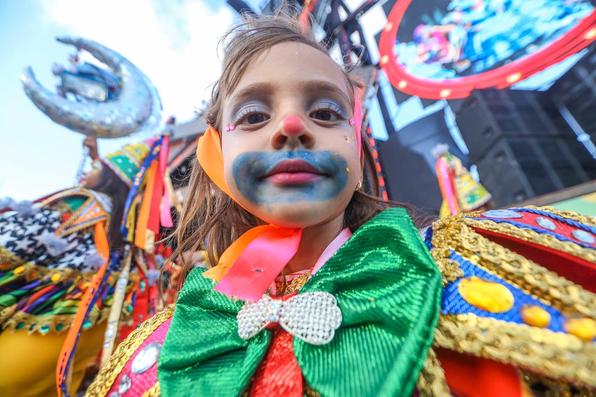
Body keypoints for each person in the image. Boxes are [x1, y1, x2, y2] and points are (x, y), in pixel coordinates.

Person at [87, 11, 595, 397]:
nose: (291, 126)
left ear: (354, 144)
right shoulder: (166, 348)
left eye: (326, 111)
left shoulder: (484, 265)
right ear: (217, 154)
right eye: (254, 115)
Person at [0, 137, 150, 396]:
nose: (88, 173)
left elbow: (22, 236)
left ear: (107, 178)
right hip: (82, 332)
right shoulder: (129, 232)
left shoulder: (83, 203)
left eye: (96, 169)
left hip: (42, 323)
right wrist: (95, 155)